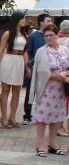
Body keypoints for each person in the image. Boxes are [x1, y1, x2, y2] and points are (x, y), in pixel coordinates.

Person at [29, 24, 68, 157]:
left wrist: (65, 75)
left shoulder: (64, 50)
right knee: (42, 117)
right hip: (46, 89)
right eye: (46, 36)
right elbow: (42, 71)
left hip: (61, 90)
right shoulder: (42, 51)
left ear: (57, 35)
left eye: (51, 35)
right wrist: (59, 76)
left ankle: (53, 143)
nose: (49, 38)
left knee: (57, 116)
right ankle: (40, 144)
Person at [0, 12, 29, 128]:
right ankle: (4, 117)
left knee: (17, 90)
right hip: (8, 60)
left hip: (19, 61)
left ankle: (12, 117)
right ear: (17, 20)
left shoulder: (24, 34)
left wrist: (27, 66)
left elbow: (25, 52)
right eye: (22, 19)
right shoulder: (8, 33)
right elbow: (1, 51)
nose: (24, 20)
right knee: (5, 90)